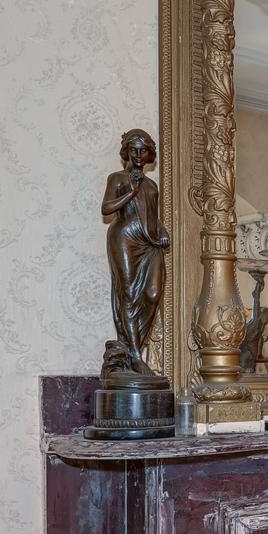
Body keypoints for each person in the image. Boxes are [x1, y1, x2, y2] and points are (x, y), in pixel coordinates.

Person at [100, 128, 171, 384]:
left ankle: (130, 347)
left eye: (144, 150)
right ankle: (134, 355)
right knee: (129, 294)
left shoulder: (152, 184)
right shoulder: (117, 178)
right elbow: (106, 208)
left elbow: (154, 216)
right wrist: (129, 192)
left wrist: (163, 232)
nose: (139, 154)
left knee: (152, 294)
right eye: (134, 150)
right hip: (124, 239)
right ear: (127, 152)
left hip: (149, 242)